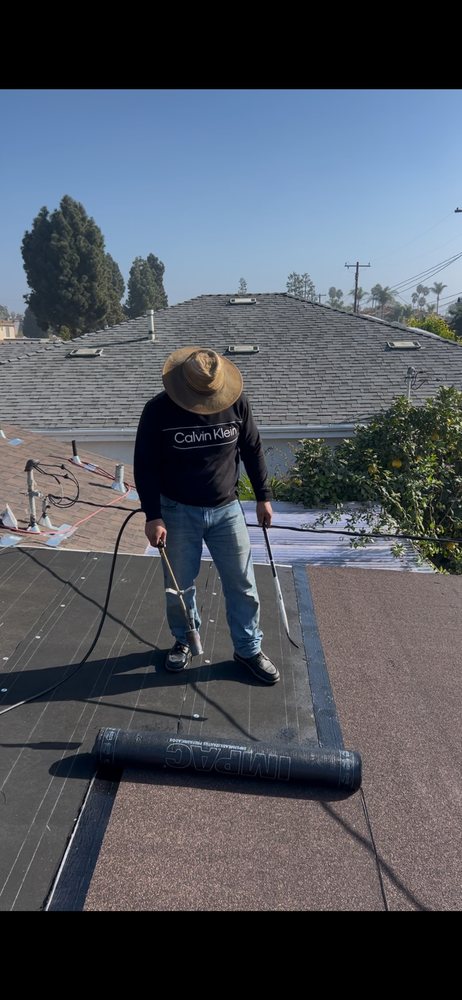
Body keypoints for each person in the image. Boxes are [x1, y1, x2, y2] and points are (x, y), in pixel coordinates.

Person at [133, 346, 280, 684]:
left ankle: (247, 649)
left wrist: (263, 497)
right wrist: (152, 515)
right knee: (179, 586)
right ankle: (185, 639)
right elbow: (145, 466)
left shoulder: (235, 401)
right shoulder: (157, 411)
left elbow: (252, 448)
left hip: (227, 509)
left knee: (243, 584)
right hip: (176, 511)